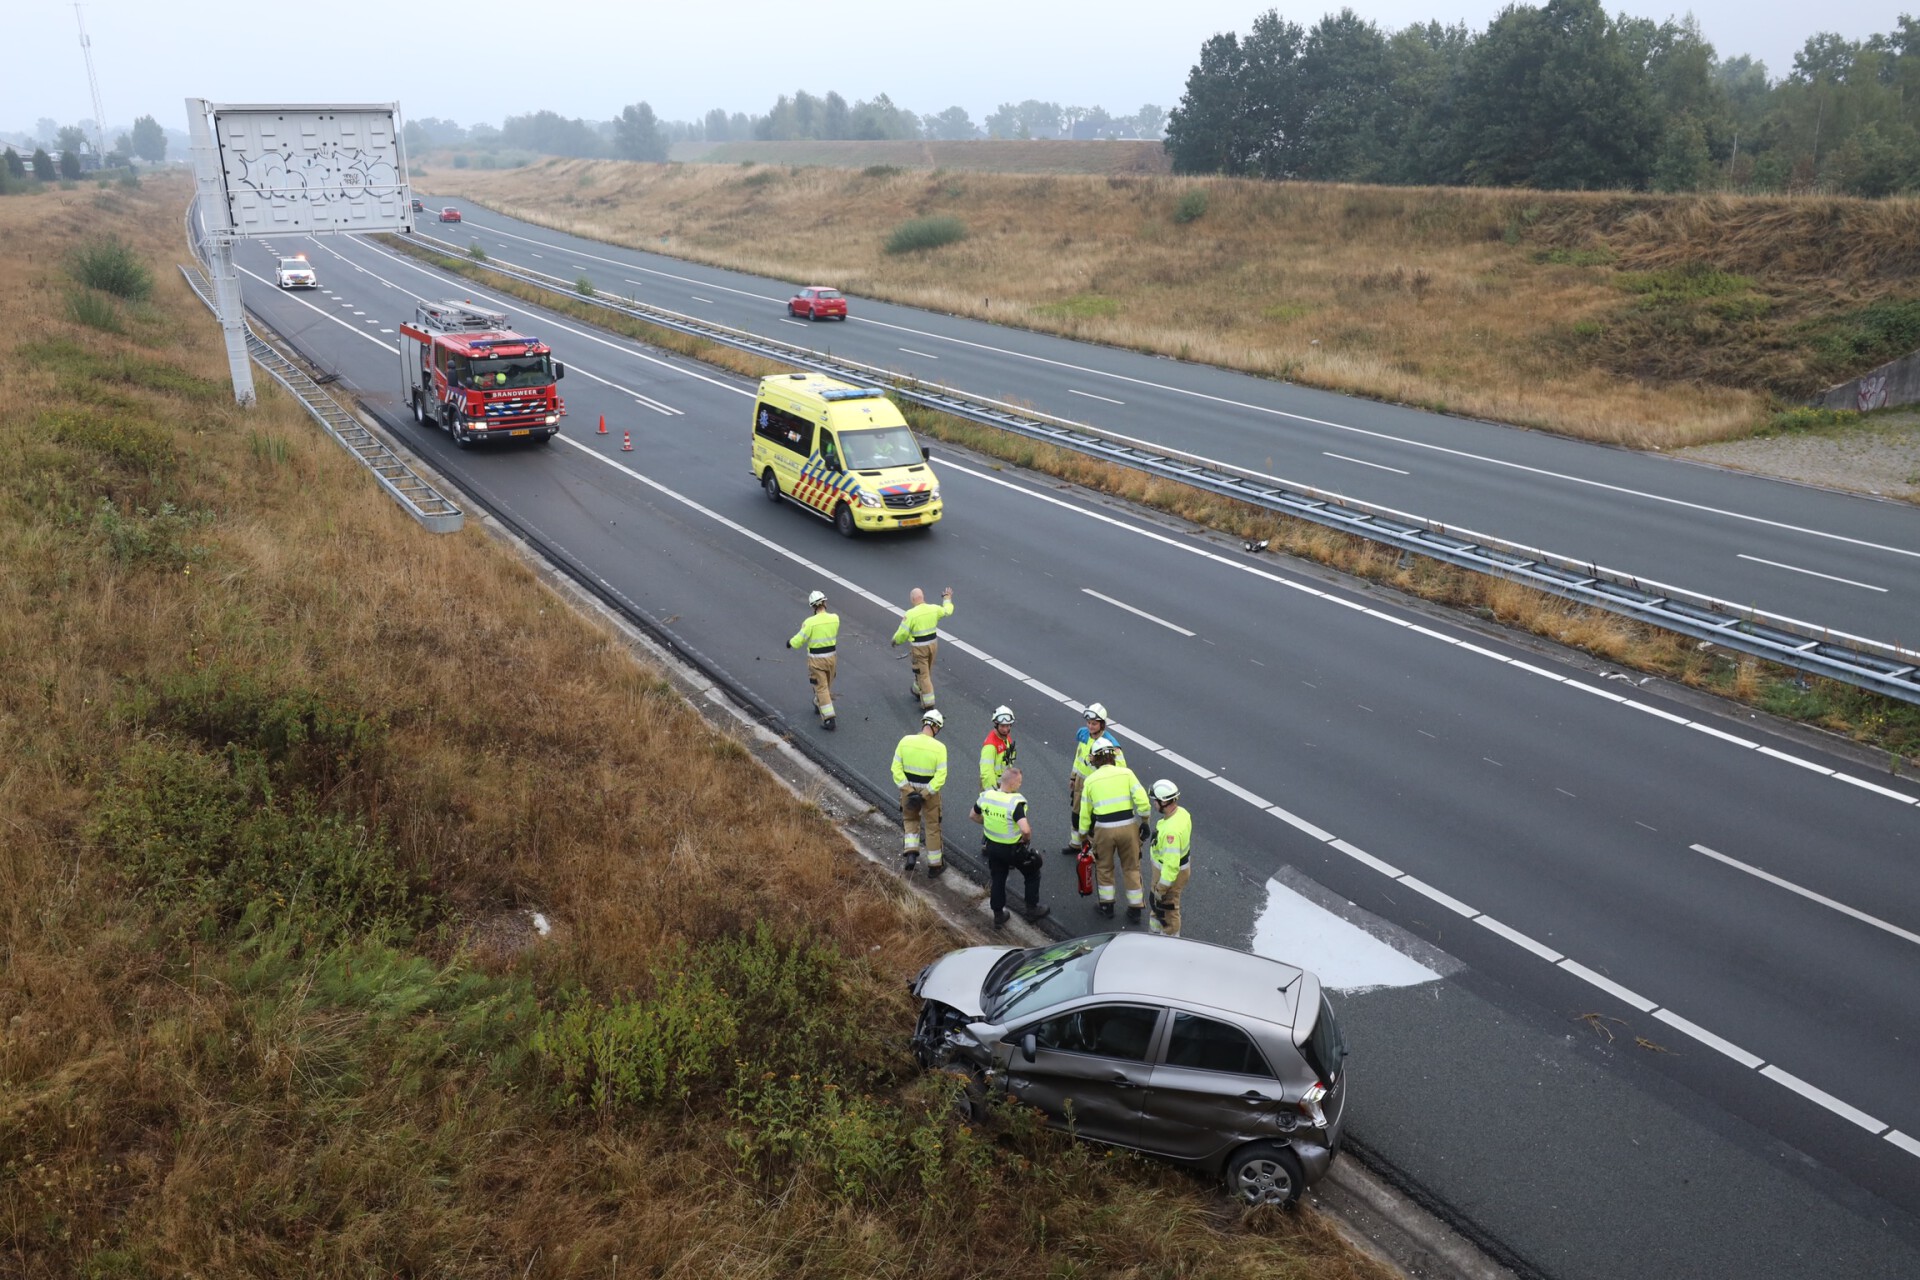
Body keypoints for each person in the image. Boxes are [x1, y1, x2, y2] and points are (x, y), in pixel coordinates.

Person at [1075, 742, 1151, 922]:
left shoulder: (1091, 781)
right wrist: (1145, 822)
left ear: (1095, 758)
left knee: (1104, 867)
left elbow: (1085, 814)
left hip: (1104, 830)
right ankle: (1135, 909)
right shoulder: (1127, 773)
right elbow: (1143, 802)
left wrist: (1083, 837)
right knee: (1132, 867)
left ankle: (1107, 906)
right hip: (1128, 827)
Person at [971, 766, 1051, 929]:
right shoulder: (1015, 803)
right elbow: (1025, 829)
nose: (1020, 785)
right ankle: (1031, 910)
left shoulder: (986, 796)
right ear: (1014, 784)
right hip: (1012, 849)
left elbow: (973, 815)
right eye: (1019, 782)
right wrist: (1025, 840)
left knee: (998, 878)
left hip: (992, 846)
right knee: (1032, 872)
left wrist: (989, 825)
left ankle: (998, 914)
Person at [891, 708, 949, 877]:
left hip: (908, 791)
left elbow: (895, 769)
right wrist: (924, 794)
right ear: (936, 728)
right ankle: (935, 865)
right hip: (929, 794)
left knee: (910, 819)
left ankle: (911, 852)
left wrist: (908, 791)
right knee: (932, 826)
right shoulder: (940, 748)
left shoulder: (905, 741)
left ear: (924, 723)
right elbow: (941, 776)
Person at [1063, 703, 1126, 856]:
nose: (1090, 726)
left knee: (1092, 820)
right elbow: (1078, 758)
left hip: (1098, 786)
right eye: (1089, 723)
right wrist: (1073, 776)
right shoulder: (1084, 736)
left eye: (1094, 723)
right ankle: (1076, 844)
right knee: (1076, 815)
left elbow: (1121, 768)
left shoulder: (1111, 744)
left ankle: (1091, 850)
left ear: (1102, 724)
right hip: (1081, 782)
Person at [891, 586, 953, 710]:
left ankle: (928, 703)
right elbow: (947, 611)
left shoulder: (911, 614)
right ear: (922, 597)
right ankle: (916, 689)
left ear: (912, 599)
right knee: (926, 671)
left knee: (923, 674)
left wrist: (895, 641)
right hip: (933, 646)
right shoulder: (933, 609)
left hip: (919, 649)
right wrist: (947, 598)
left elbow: (902, 633)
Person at [787, 588, 840, 730]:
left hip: (816, 661)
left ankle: (829, 719)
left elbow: (799, 639)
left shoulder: (809, 622)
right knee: (827, 686)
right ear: (824, 603)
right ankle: (818, 703)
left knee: (821, 687)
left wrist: (790, 643)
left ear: (812, 606)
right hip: (832, 659)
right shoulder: (835, 618)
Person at [1147, 780, 1191, 936]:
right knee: (1157, 907)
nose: (1154, 803)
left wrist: (1161, 888)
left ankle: (1169, 942)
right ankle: (1154, 934)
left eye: (1155, 800)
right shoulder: (1183, 813)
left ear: (1164, 801)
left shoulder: (1170, 832)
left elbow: (1171, 866)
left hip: (1168, 876)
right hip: (1170, 871)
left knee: (1168, 910)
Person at [979, 705, 1016, 792]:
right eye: (1002, 726)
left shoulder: (1007, 738)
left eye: (1008, 726)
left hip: (1004, 783)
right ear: (996, 724)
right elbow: (987, 773)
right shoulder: (990, 746)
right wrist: (993, 793)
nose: (1005, 729)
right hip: (993, 786)